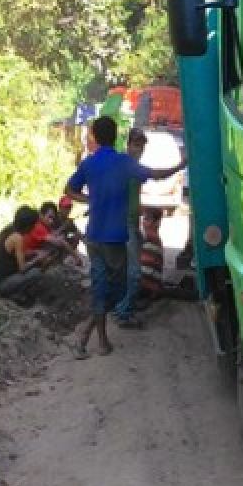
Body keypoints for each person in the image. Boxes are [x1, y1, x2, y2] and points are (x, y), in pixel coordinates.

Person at [65, 116, 186, 359]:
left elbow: (69, 190)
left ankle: (96, 341)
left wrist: (91, 200)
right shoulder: (124, 163)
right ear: (116, 136)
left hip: (93, 236)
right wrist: (181, 165)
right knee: (117, 289)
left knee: (100, 286)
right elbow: (156, 174)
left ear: (95, 137)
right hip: (114, 237)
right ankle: (88, 336)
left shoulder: (89, 163)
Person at [112, 128, 148, 329]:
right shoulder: (123, 167)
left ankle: (125, 306)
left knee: (128, 270)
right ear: (129, 145)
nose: (139, 149)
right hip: (124, 225)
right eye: (136, 145)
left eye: (141, 146)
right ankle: (123, 312)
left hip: (133, 223)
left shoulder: (136, 168)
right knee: (134, 273)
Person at [0, 206, 53, 306]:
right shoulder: (18, 238)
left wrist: (34, 252)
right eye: (34, 225)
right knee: (36, 273)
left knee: (34, 264)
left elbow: (18, 253)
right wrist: (38, 259)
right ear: (28, 226)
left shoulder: (9, 229)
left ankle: (17, 292)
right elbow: (22, 268)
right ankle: (14, 294)